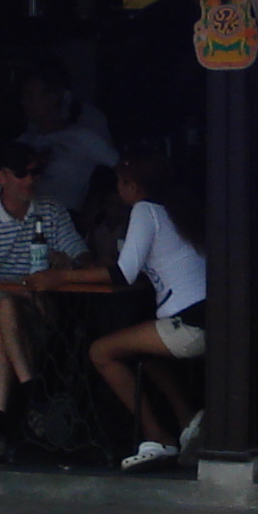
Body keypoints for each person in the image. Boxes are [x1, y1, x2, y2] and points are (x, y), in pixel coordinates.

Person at [37, 152, 208, 471]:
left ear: (133, 186)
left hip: (188, 326)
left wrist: (60, 276)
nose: (118, 189)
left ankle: (158, 437)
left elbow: (122, 274)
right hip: (208, 319)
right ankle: (188, 422)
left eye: (120, 182)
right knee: (141, 353)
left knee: (101, 351)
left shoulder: (145, 210)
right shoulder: (175, 208)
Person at [0, 140, 84, 463]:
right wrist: (24, 288)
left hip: (28, 310)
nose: (31, 180)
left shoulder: (51, 210)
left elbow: (82, 256)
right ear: (1, 177)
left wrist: (66, 263)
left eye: (36, 172)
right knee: (4, 306)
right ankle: (34, 394)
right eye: (23, 173)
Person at [18, 62, 120, 218]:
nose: (25, 103)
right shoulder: (23, 142)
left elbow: (123, 169)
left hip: (66, 221)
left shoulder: (83, 138)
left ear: (51, 99)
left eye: (30, 97)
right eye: (24, 97)